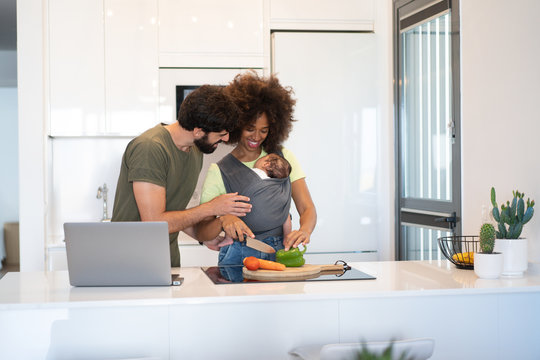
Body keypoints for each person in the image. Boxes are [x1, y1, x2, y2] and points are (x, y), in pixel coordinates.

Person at [111, 85, 253, 267]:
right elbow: (154, 223)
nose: (226, 139)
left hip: (165, 263)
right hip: (129, 265)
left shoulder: (195, 150)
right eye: (222, 134)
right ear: (198, 131)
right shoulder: (150, 148)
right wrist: (212, 208)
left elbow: (173, 211)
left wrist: (204, 238)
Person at [195, 72, 317, 265]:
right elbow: (201, 231)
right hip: (238, 255)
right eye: (250, 128)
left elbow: (307, 207)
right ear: (237, 124)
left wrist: (304, 231)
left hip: (281, 253)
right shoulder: (220, 171)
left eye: (264, 130)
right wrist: (223, 220)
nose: (257, 137)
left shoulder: (283, 158)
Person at [203, 153, 293, 251]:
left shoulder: (251, 173)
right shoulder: (278, 188)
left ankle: (228, 238)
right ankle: (287, 238)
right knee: (285, 214)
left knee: (232, 207)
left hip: (245, 238)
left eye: (261, 158)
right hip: (274, 241)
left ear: (266, 164)